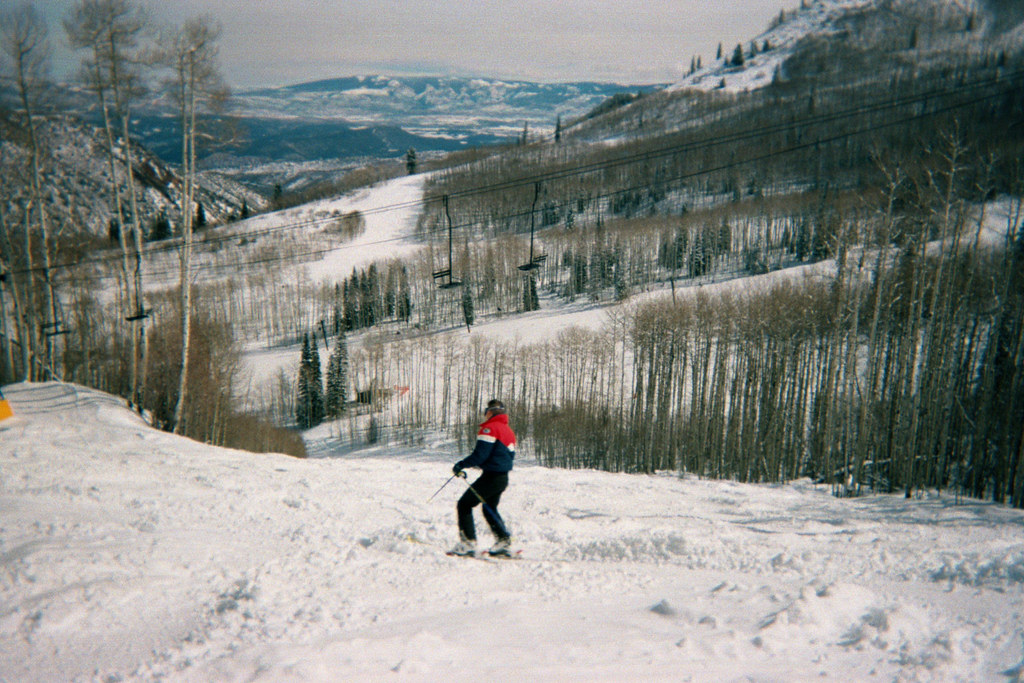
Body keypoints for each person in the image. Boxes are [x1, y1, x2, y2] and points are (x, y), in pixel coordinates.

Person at [449, 399, 515, 557]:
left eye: (486, 411)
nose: (485, 415)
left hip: (491, 477)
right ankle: (503, 542)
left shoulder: (489, 429)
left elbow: (480, 455)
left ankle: (468, 544)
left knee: (464, 504)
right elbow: (506, 456)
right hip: (502, 478)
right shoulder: (508, 430)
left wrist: (461, 465)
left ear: (490, 412)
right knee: (489, 507)